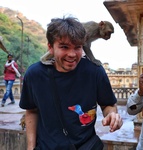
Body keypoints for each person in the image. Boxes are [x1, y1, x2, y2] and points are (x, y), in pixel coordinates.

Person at [19, 16, 123, 150]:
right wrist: (30, 148)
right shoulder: (34, 74)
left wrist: (112, 115)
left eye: (78, 47)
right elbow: (32, 111)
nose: (72, 54)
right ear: (50, 47)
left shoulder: (95, 71)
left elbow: (108, 104)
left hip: (86, 146)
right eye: (64, 47)